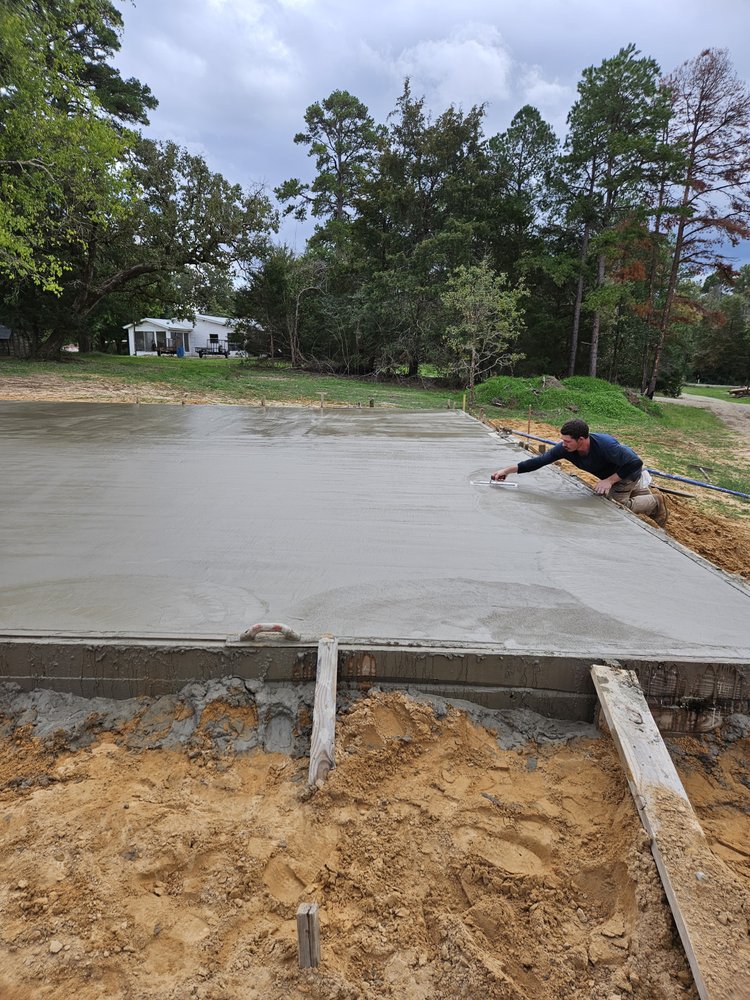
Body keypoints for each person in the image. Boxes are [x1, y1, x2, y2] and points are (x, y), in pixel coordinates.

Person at [491, 418, 668, 527]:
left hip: (626, 473)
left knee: (615, 506)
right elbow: (539, 461)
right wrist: (507, 470)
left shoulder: (606, 445)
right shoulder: (566, 449)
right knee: (624, 493)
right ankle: (643, 494)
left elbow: (635, 462)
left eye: (567, 441)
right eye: (563, 440)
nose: (563, 444)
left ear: (581, 439)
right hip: (615, 473)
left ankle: (655, 502)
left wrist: (609, 481)